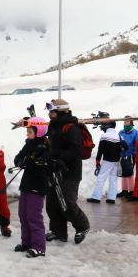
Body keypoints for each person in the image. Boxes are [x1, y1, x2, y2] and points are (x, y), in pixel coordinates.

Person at [44, 99, 91, 245]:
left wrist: (57, 155)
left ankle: (82, 227)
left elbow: (76, 151)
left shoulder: (71, 128)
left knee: (67, 203)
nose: (49, 114)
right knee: (52, 203)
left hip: (70, 171)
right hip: (55, 169)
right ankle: (59, 232)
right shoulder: (54, 126)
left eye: (52, 111)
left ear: (60, 111)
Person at [12, 117, 51, 257]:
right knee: (23, 214)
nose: (27, 134)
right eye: (27, 131)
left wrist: (32, 164)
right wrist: (20, 161)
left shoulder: (45, 148)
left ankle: (39, 247)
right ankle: (26, 243)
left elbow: (43, 168)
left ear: (38, 132)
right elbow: (18, 158)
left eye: (29, 132)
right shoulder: (28, 144)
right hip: (26, 184)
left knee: (34, 217)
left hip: (37, 185)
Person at [87, 116, 122, 204]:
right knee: (113, 179)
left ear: (108, 126)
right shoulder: (119, 136)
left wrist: (97, 161)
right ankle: (111, 198)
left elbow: (100, 150)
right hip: (116, 161)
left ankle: (96, 197)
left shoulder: (104, 136)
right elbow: (126, 146)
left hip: (107, 160)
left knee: (101, 178)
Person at [117, 116, 138, 198]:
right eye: (124, 122)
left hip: (130, 156)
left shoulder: (136, 133)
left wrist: (133, 153)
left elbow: (137, 145)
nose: (125, 123)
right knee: (123, 173)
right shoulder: (121, 132)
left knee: (130, 173)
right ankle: (124, 190)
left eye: (127, 122)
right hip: (122, 156)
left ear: (131, 123)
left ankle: (132, 191)